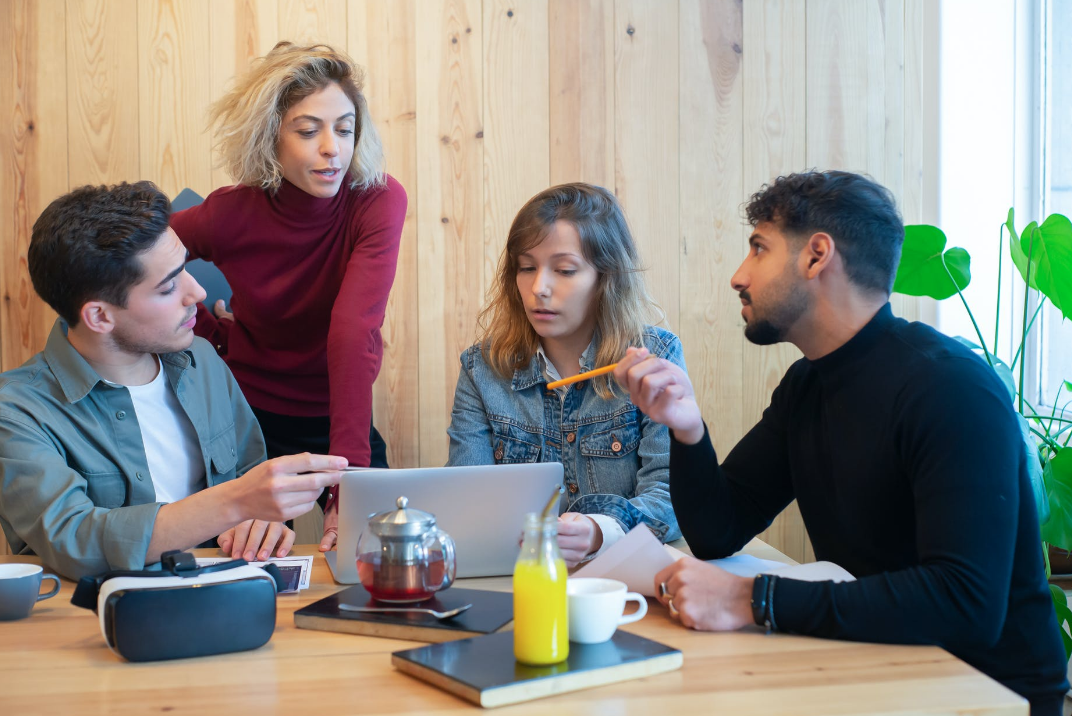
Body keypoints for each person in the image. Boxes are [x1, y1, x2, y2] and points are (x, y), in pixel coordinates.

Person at [613, 170, 1068, 714]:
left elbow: (965, 603)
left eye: (758, 249)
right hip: (880, 665)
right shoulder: (807, 384)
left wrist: (752, 599)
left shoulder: (951, 388)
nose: (739, 275)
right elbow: (718, 531)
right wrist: (686, 428)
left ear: (816, 256)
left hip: (985, 692)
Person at [0, 182, 345, 580]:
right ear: (99, 317)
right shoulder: (18, 410)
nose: (196, 292)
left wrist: (260, 521)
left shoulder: (201, 359)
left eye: (186, 269)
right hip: (94, 622)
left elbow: (250, 474)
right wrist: (234, 503)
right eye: (168, 287)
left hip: (231, 599)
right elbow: (74, 540)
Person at [169, 42, 407, 553]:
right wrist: (207, 332)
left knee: (381, 551)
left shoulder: (378, 200)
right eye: (307, 131)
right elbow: (143, 257)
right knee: (224, 561)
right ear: (270, 137)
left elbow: (351, 328)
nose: (332, 149)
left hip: (337, 414)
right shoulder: (229, 214)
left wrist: (349, 479)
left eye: (344, 130)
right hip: (244, 414)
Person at [446, 183, 684, 567]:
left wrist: (597, 530)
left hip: (620, 582)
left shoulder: (654, 358)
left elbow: (673, 497)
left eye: (565, 270)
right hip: (518, 579)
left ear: (606, 278)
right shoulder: (481, 369)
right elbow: (467, 497)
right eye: (526, 268)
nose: (538, 288)